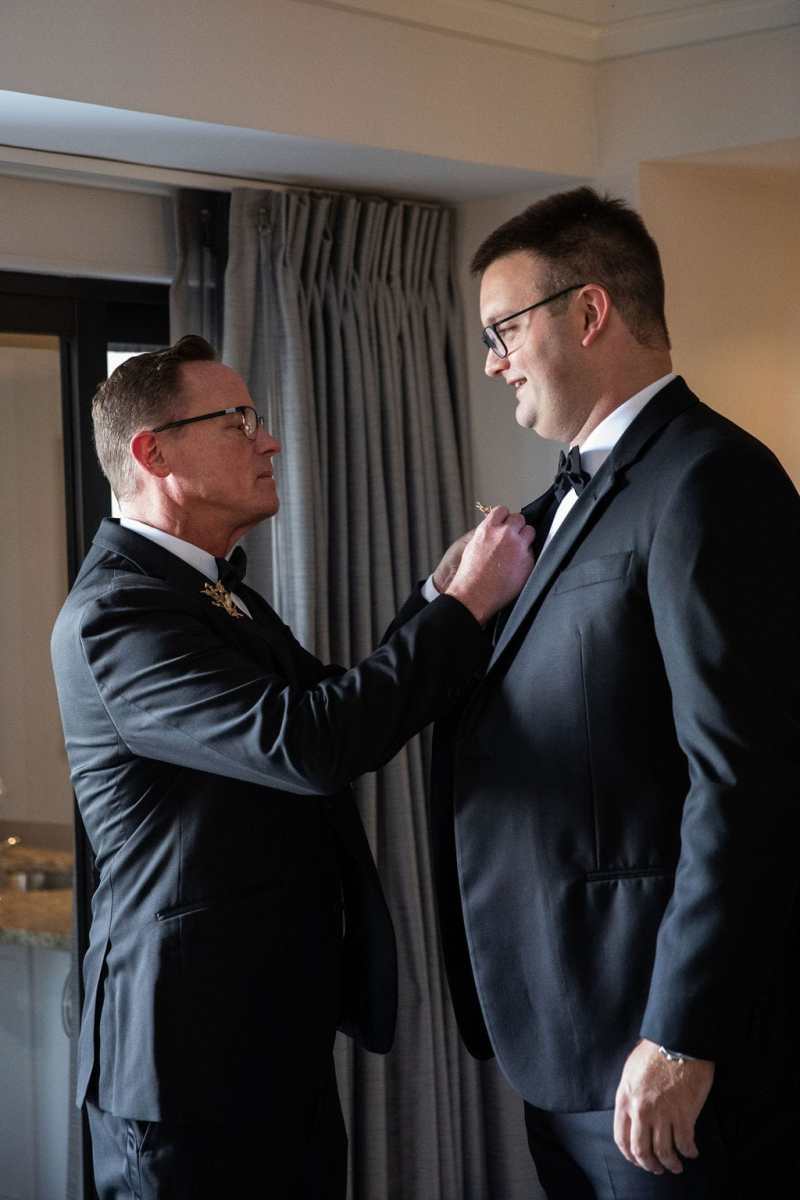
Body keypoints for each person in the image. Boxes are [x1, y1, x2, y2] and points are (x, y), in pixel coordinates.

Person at [50, 335, 534, 1200]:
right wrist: (461, 612)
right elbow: (307, 746)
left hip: (267, 1040)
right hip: (184, 1069)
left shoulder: (212, 591)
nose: (267, 440)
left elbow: (335, 706)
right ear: (152, 451)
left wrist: (435, 597)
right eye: (237, 421)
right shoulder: (118, 612)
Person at [401, 187, 800, 1197]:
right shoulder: (555, 507)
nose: (491, 362)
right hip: (563, 1030)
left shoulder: (709, 481)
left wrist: (679, 1030)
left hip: (653, 1044)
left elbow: (742, 777)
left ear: (586, 313)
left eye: (502, 330)